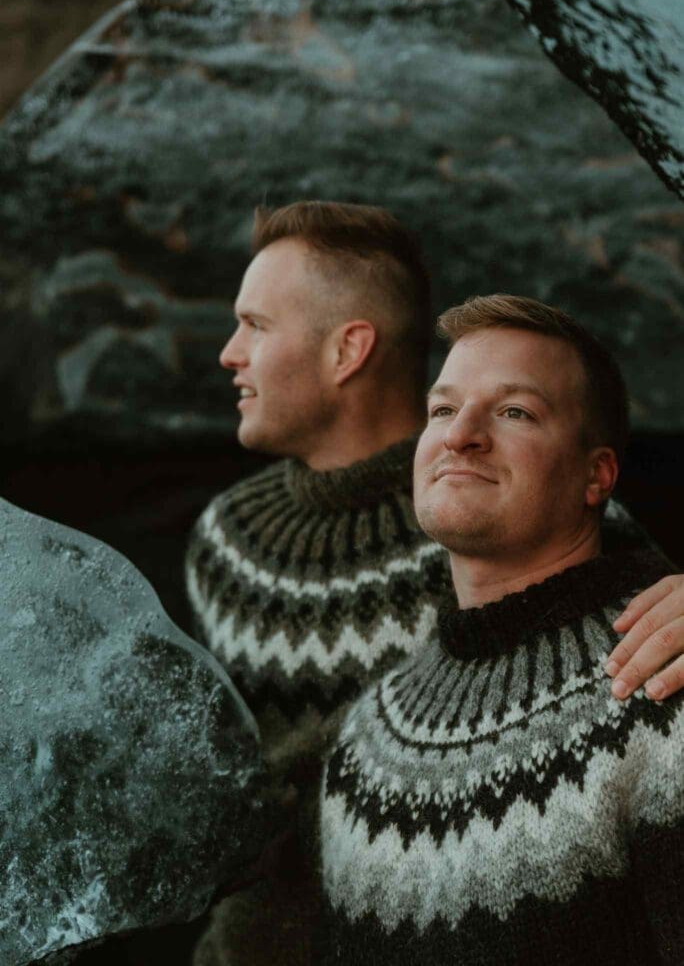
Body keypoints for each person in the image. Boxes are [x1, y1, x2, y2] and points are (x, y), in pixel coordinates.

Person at [186, 203, 684, 965]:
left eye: (254, 325)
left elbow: (645, 609)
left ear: (349, 348)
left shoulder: (553, 548)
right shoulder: (229, 546)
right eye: (443, 409)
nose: (228, 353)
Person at [319, 295, 684, 965]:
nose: (460, 435)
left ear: (596, 475)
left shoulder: (664, 679)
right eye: (442, 409)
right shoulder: (368, 735)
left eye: (515, 411)